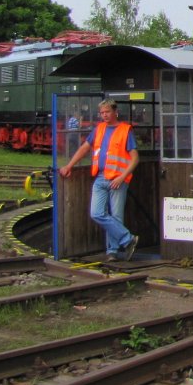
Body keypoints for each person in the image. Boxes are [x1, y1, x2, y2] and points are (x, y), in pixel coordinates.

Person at [58, 99, 140, 262]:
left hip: (118, 179)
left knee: (116, 216)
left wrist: (122, 177)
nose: (104, 115)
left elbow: (135, 158)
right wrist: (69, 165)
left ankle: (112, 252)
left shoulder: (125, 130)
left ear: (115, 112)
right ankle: (128, 239)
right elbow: (84, 148)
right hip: (101, 177)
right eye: (102, 113)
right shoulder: (99, 129)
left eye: (107, 112)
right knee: (96, 213)